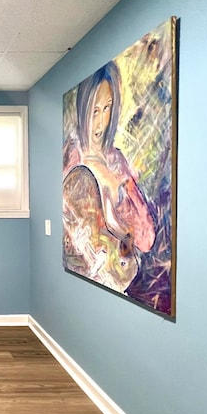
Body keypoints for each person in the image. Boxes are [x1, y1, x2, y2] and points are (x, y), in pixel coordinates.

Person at [63, 61, 156, 293]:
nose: (101, 122)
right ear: (83, 109)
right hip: (86, 282)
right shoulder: (70, 158)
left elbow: (146, 238)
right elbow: (65, 230)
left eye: (108, 108)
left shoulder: (118, 163)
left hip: (124, 282)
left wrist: (117, 216)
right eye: (95, 110)